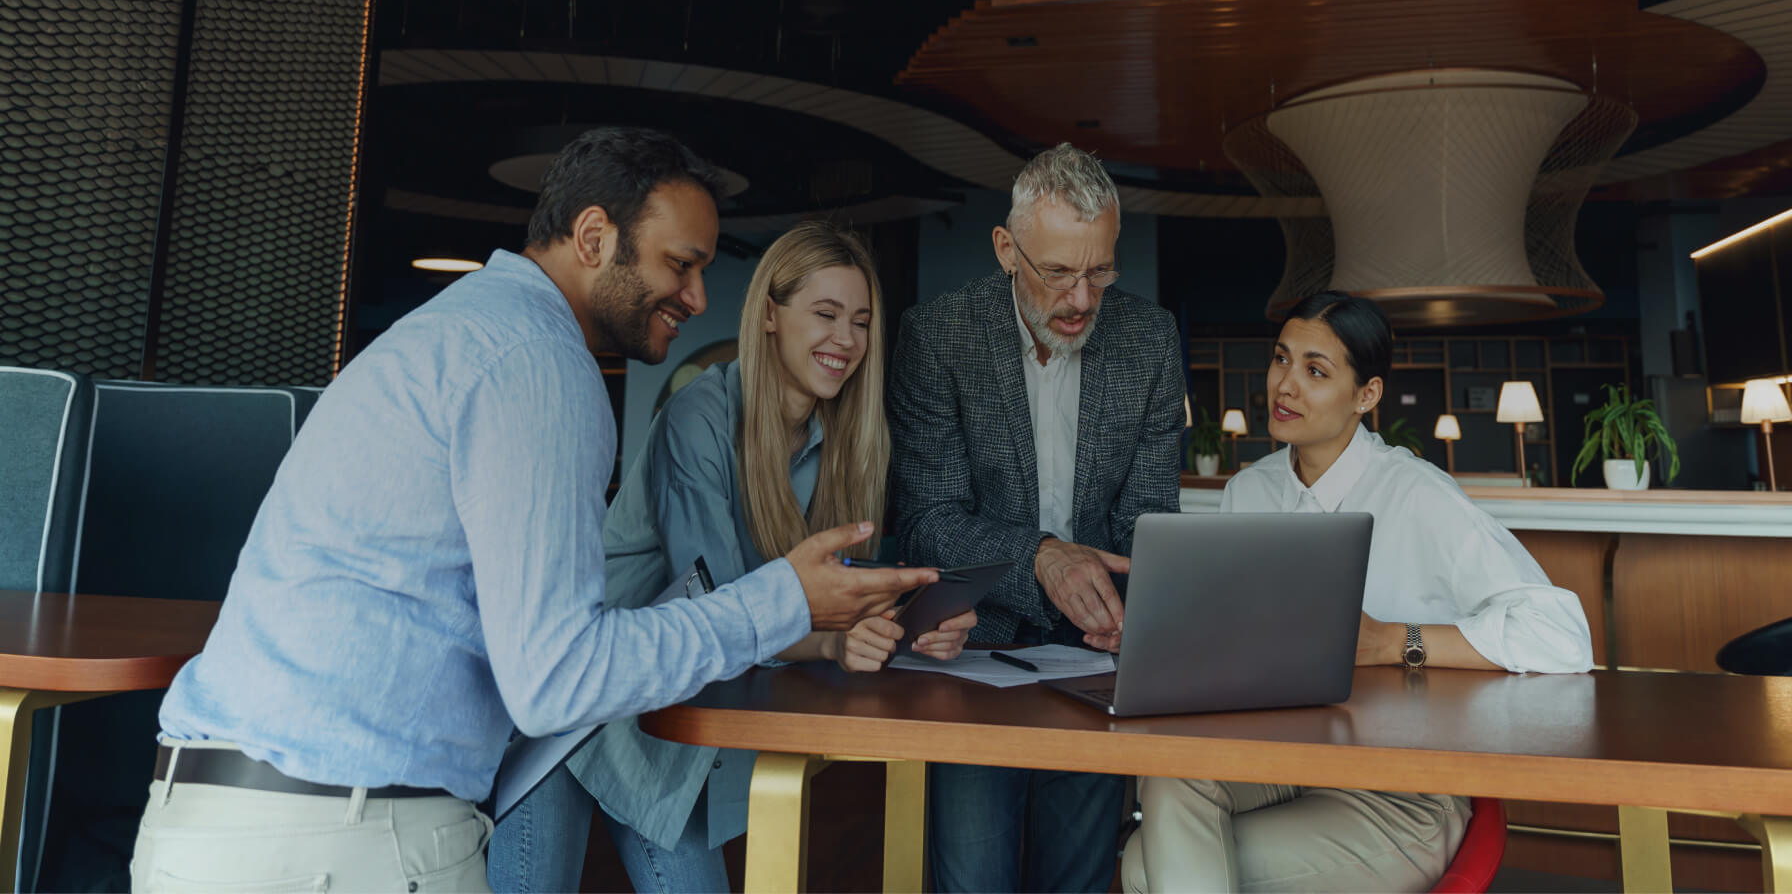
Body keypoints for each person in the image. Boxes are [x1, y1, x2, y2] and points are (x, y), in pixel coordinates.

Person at [131, 128, 936, 893]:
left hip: (216, 821)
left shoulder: (459, 331)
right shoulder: (540, 367)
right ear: (594, 238)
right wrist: (789, 602)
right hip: (344, 843)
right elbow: (556, 679)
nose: (696, 295)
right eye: (680, 264)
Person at [490, 222, 979, 892]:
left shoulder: (850, 440)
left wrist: (913, 623)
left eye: (861, 322)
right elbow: (724, 606)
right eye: (826, 315)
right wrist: (837, 641)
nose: (846, 340)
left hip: (675, 731)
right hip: (585, 714)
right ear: (771, 316)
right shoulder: (701, 416)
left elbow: (837, 590)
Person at [1121, 290, 1593, 893]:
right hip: (1284, 764)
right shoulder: (1249, 492)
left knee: (1144, 867)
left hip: (1398, 795)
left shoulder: (1418, 494)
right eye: (1281, 359)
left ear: (1366, 395)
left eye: (1316, 371)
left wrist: (1398, 641)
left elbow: (1564, 636)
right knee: (1170, 773)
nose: (1286, 385)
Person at [888, 143, 1185, 892]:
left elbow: (1151, 515)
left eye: (1100, 271)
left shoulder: (1150, 340)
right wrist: (1041, 557)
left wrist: (1133, 607)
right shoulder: (938, 338)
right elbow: (927, 519)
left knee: (1077, 883)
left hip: (1096, 666)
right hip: (971, 656)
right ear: (1005, 250)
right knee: (974, 879)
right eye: (1057, 272)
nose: (1082, 299)